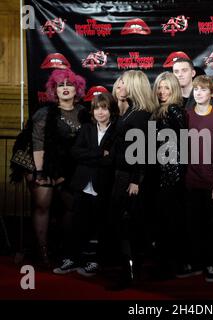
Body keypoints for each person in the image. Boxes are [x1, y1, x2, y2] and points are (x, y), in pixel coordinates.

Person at [52, 92, 118, 276]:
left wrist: (91, 155)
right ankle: (72, 259)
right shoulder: (86, 129)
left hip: (103, 186)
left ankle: (94, 261)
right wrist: (98, 153)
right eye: (96, 108)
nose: (100, 112)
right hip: (82, 185)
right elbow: (75, 152)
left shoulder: (117, 131)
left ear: (111, 110)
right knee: (77, 225)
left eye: (104, 108)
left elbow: (111, 160)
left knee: (98, 227)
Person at [30, 69, 89, 266]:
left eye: (69, 84)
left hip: (70, 169)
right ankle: (43, 252)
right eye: (60, 85)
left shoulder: (84, 112)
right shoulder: (44, 113)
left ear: (77, 88)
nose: (65, 88)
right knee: (42, 206)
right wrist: (40, 171)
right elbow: (38, 143)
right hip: (45, 164)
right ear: (54, 90)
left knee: (71, 207)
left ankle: (67, 251)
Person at [104, 70, 155, 290]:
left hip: (130, 178)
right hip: (122, 174)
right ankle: (128, 271)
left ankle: (130, 274)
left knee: (126, 224)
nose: (119, 85)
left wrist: (136, 180)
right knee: (122, 224)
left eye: (123, 82)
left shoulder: (141, 115)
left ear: (133, 86)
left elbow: (143, 150)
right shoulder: (130, 112)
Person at [182, 75, 213, 282]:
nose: (198, 93)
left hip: (211, 183)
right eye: (196, 89)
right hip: (191, 181)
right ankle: (196, 261)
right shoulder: (187, 115)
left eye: (203, 89)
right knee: (192, 224)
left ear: (211, 93)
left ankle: (212, 264)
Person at [151, 71, 187, 278]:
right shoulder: (160, 110)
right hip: (160, 172)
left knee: (171, 221)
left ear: (174, 90)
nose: (163, 91)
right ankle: (166, 263)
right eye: (160, 87)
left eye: (167, 88)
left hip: (172, 174)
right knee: (163, 221)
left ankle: (172, 266)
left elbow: (182, 144)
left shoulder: (174, 110)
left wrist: (175, 175)